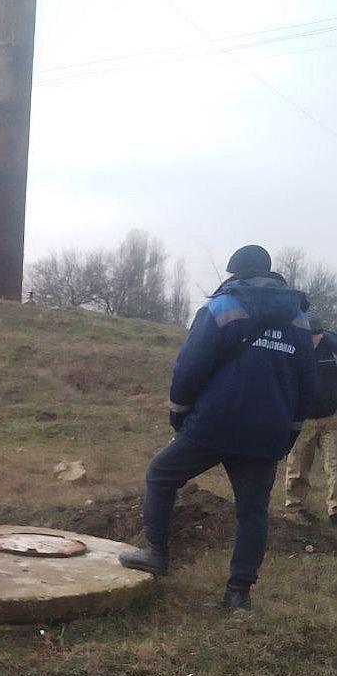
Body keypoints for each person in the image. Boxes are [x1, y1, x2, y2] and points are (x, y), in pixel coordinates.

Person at [120, 244, 316, 611]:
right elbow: (307, 383)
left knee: (161, 474)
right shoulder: (299, 319)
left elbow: (189, 368)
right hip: (267, 432)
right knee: (253, 512)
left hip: (214, 424)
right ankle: (239, 593)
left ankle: (157, 552)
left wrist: (179, 416)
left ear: (234, 273)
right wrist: (289, 432)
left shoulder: (222, 307)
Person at [284, 316, 337, 526]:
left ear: (322, 334)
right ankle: (295, 509)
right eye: (309, 336)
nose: (313, 339)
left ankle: (335, 511)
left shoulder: (332, 351)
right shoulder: (293, 351)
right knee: (297, 467)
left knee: (335, 466)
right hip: (302, 421)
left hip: (331, 419)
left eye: (316, 335)